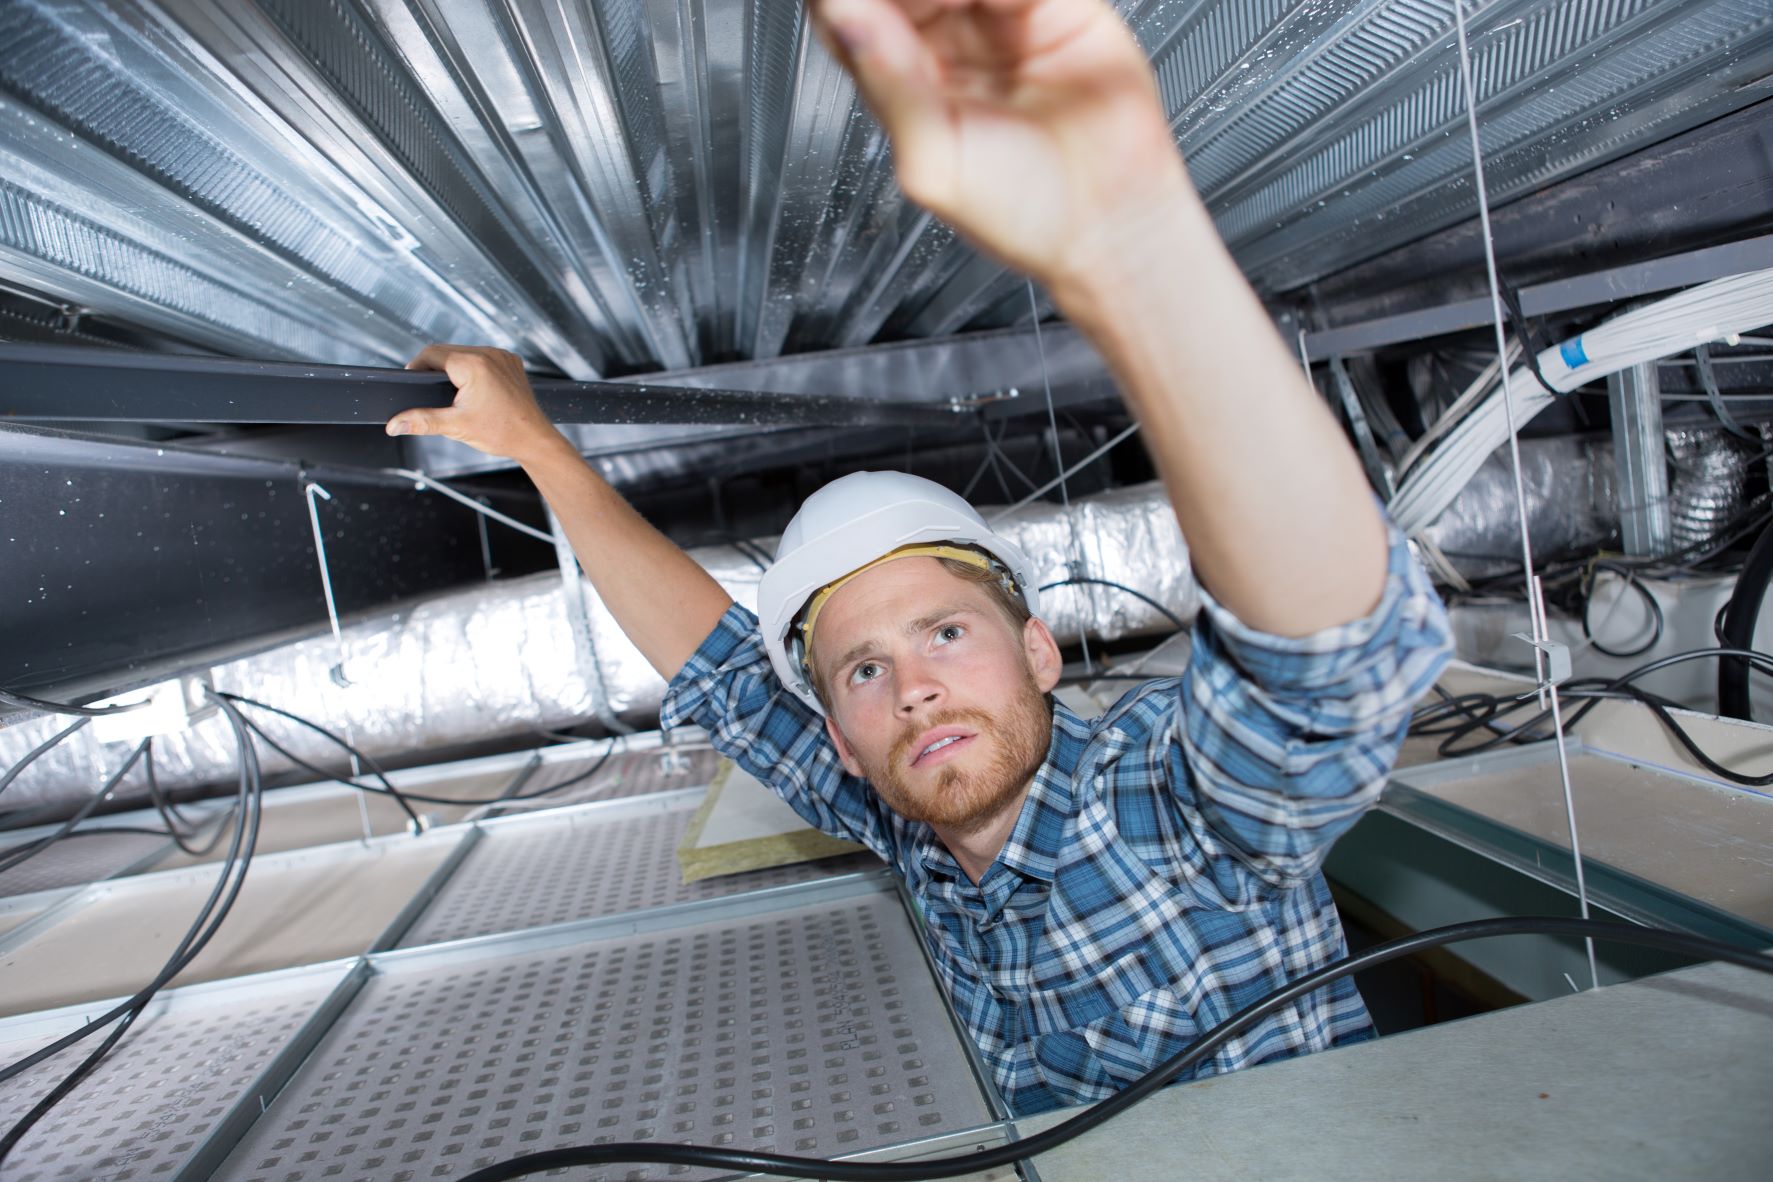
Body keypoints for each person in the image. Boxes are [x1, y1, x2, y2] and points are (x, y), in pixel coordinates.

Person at [384, 0, 1452, 1115]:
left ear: (1039, 649)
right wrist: (539, 450)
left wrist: (1131, 243)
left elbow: (1321, 660)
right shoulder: (911, 811)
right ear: (840, 744)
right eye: (863, 671)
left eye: (946, 631)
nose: (913, 686)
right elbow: (718, 667)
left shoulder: (1166, 806)